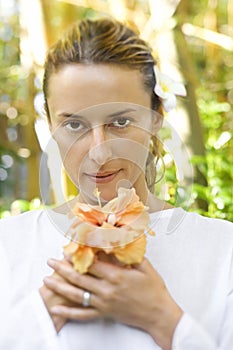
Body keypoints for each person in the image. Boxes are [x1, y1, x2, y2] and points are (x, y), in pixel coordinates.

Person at [0, 18, 233, 350]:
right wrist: (43, 314)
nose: (99, 150)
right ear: (50, 125)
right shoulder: (6, 248)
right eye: (75, 124)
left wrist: (163, 319)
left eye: (120, 122)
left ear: (156, 118)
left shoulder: (224, 252)